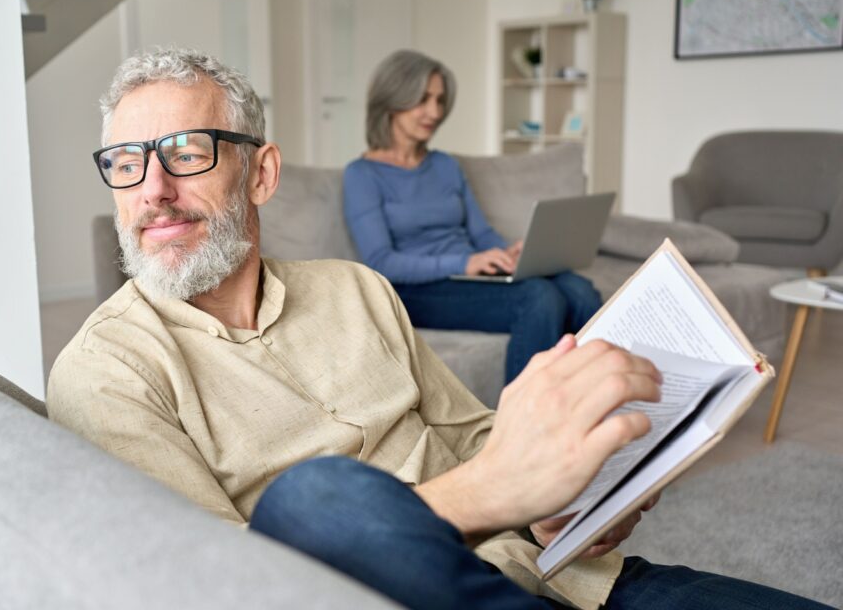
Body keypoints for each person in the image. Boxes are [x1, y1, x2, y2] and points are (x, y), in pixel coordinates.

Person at [47, 46, 828, 610]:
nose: (152, 189)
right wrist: (496, 490)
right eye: (125, 162)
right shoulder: (107, 372)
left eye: (185, 153)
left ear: (262, 173)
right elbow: (214, 583)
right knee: (315, 500)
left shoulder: (357, 291)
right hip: (375, 594)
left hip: (555, 579)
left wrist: (576, 497)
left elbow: (475, 440)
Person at [343, 49, 602, 384]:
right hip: (415, 290)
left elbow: (480, 233)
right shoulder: (362, 175)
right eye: (423, 100)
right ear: (393, 100)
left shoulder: (445, 165)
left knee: (578, 288)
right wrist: (465, 264)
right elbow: (382, 262)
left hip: (470, 275)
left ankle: (609, 399)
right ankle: (522, 427)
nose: (434, 112)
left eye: (439, 100)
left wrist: (507, 253)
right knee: (539, 298)